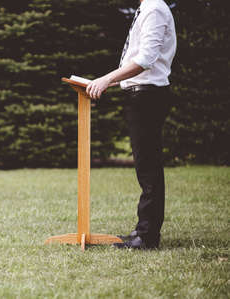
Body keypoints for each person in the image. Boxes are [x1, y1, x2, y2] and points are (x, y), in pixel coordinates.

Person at [85, 0, 176, 249]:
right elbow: (141, 60)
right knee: (146, 166)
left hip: (148, 96)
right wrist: (109, 82)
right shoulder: (147, 8)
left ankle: (147, 237)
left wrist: (106, 79)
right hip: (142, 94)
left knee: (148, 168)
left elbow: (146, 59)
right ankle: (142, 231)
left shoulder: (154, 8)